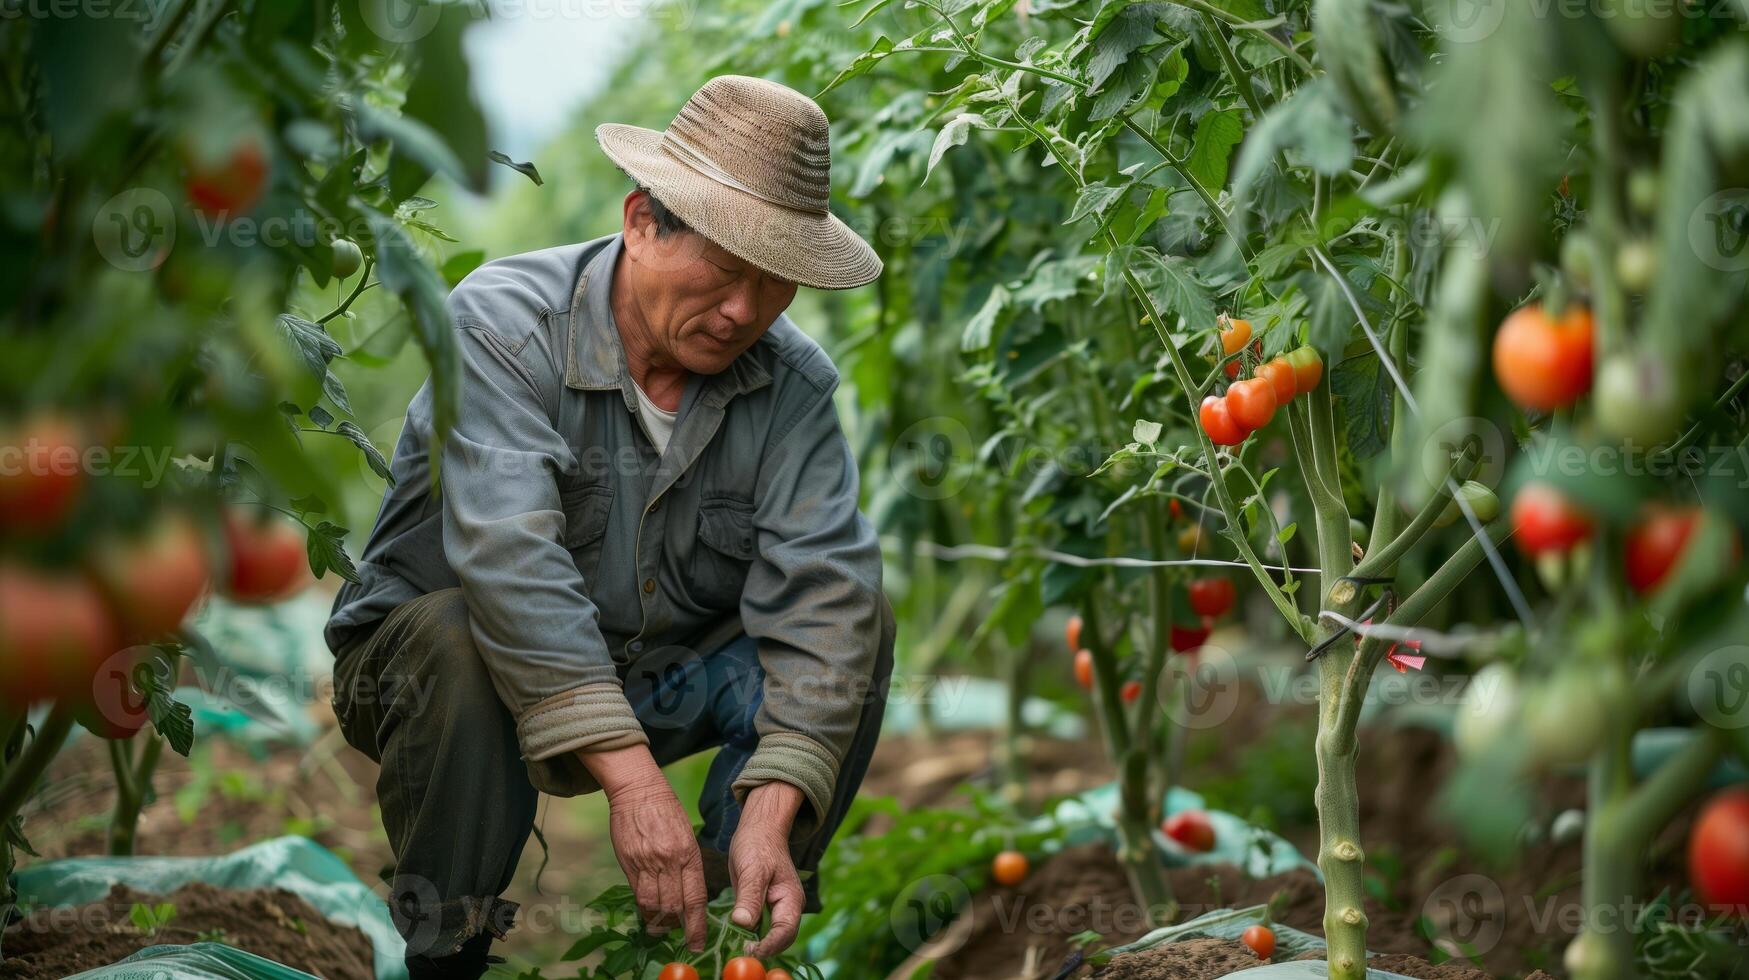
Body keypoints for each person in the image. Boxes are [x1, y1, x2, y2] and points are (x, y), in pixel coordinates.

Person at [325, 75, 893, 979]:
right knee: (457, 636)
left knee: (861, 614)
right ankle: (448, 952)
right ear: (640, 222)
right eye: (725, 270)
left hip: (657, 675)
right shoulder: (503, 326)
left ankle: (714, 927)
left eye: (774, 283)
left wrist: (775, 803)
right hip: (438, 678)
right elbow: (509, 557)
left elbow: (824, 593)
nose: (746, 310)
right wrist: (634, 784)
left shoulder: (792, 385)